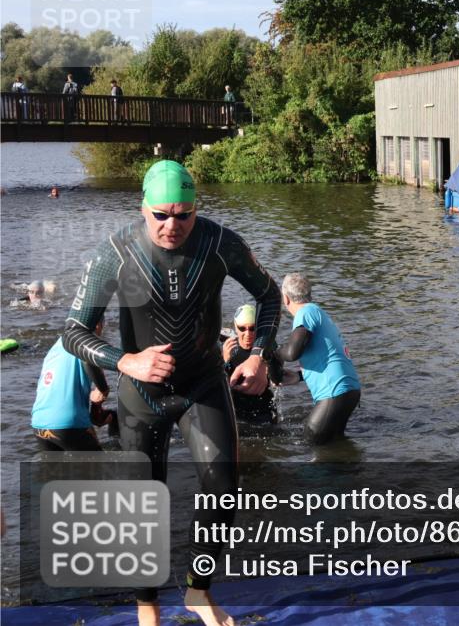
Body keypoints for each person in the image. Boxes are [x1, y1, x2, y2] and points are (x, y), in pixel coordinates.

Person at [63, 159, 281, 626]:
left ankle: (198, 592)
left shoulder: (219, 243)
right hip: (141, 393)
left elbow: (268, 295)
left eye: (184, 215)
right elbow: (73, 331)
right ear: (143, 207)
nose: (172, 225)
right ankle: (148, 607)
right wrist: (125, 361)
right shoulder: (116, 251)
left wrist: (258, 356)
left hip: (203, 383)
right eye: (161, 215)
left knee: (223, 488)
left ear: (196, 209)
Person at [276, 273, 361, 444]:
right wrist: (299, 376)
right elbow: (328, 356)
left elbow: (292, 353)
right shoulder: (319, 313)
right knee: (335, 446)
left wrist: (275, 354)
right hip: (350, 391)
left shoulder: (305, 312)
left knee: (311, 442)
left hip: (334, 392)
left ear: (285, 298)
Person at [32, 319, 114, 451]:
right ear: (98, 324)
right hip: (68, 423)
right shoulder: (85, 340)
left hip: (39, 424)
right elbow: (87, 360)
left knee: (57, 465)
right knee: (101, 464)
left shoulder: (57, 346)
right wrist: (102, 389)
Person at [222, 304, 283, 425]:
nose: (248, 333)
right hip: (237, 410)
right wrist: (225, 361)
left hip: (263, 410)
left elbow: (277, 380)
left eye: (252, 328)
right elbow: (220, 388)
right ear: (235, 327)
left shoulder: (268, 347)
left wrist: (269, 361)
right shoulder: (228, 349)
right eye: (242, 328)